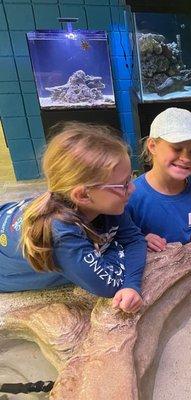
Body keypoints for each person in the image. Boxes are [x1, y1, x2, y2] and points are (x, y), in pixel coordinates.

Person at [0, 123, 146, 313]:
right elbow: (109, 284)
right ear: (83, 195)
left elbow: (134, 239)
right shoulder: (62, 235)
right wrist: (111, 246)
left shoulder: (107, 203)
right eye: (124, 185)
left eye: (131, 178)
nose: (132, 189)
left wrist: (132, 283)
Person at [127, 108, 191, 252]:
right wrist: (140, 240)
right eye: (176, 148)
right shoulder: (131, 194)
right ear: (152, 146)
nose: (186, 158)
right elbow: (119, 238)